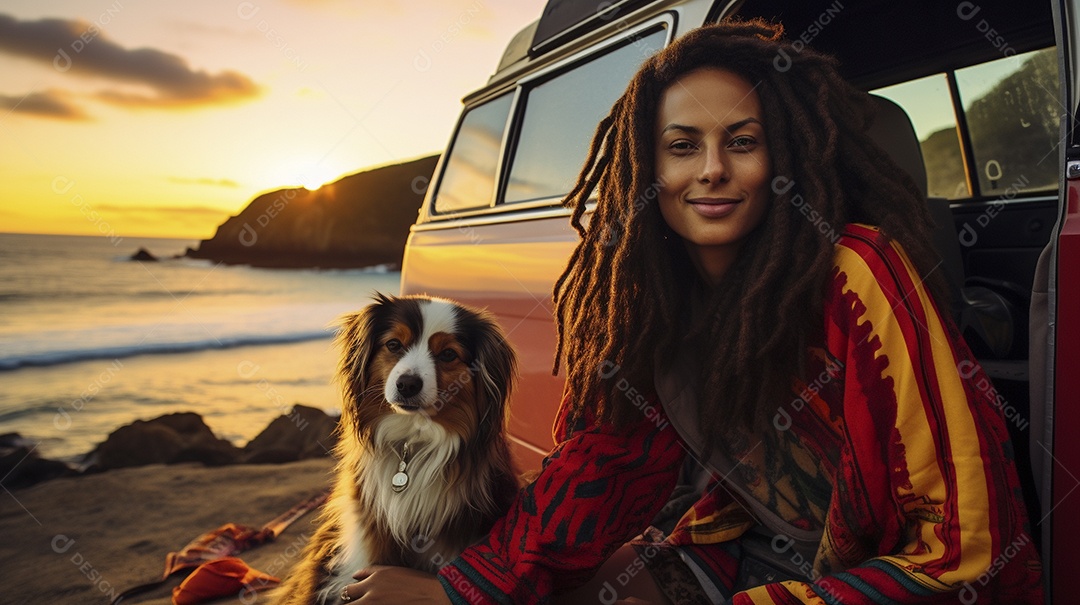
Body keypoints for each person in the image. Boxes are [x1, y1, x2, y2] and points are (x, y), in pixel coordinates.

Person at [343, 19, 1043, 604]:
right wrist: (458, 589)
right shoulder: (648, 302)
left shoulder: (858, 273)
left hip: (880, 573)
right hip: (741, 547)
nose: (711, 168)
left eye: (741, 141)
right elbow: (604, 466)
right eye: (683, 146)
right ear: (646, 167)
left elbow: (965, 545)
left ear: (781, 157)